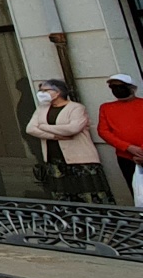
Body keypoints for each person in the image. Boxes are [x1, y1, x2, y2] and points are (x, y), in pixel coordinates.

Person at [25, 79, 102, 200]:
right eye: (40, 90)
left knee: (88, 194)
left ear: (58, 92)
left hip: (80, 159)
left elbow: (73, 128)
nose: (41, 93)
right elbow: (30, 129)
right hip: (54, 158)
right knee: (63, 194)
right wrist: (54, 136)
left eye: (45, 90)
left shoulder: (76, 108)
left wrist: (44, 127)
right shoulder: (42, 109)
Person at [95, 73, 143, 207]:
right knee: (137, 191)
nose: (116, 90)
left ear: (132, 88)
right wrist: (128, 147)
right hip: (126, 156)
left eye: (120, 86)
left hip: (140, 153)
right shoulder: (106, 107)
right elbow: (103, 131)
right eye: (112, 87)